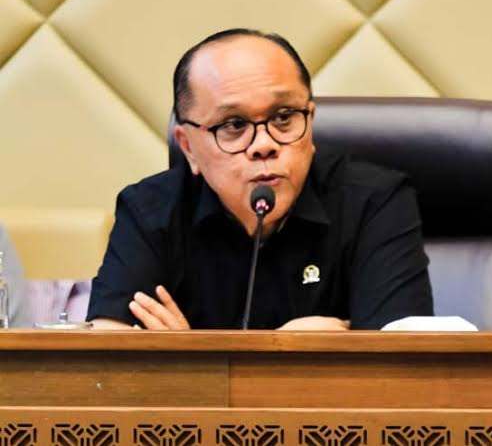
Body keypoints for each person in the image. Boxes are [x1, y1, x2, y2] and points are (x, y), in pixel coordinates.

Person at [87, 28, 432, 330]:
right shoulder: (149, 211)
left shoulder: (375, 202)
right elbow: (108, 358)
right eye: (234, 125)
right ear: (188, 146)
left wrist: (183, 359)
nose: (264, 145)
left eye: (283, 117)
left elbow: (400, 366)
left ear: (310, 122)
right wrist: (289, 357)